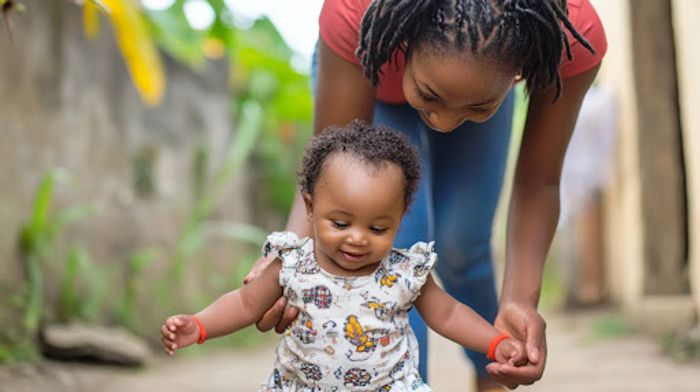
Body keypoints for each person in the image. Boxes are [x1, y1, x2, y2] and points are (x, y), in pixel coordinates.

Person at [246, 0, 608, 390]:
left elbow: (539, 182)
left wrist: (521, 300)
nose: (445, 123)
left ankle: (495, 369)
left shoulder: (570, 37)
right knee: (392, 240)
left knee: (462, 241)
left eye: (472, 108)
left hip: (479, 74)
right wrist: (287, 257)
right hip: (371, 72)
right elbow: (329, 176)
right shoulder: (357, 12)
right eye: (431, 99)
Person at [161, 122, 526, 391]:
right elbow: (244, 303)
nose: (357, 239)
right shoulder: (292, 263)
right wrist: (200, 325)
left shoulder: (404, 272)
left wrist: (495, 342)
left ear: (400, 219)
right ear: (310, 207)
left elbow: (448, 313)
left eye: (378, 228)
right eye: (339, 222)